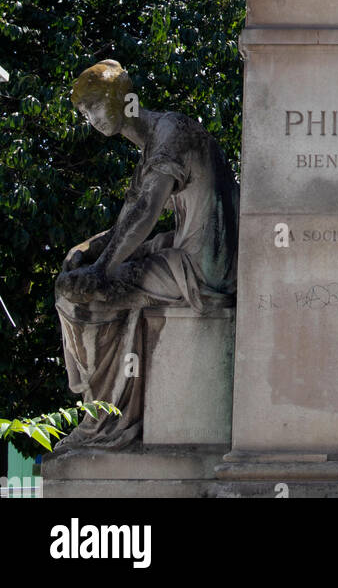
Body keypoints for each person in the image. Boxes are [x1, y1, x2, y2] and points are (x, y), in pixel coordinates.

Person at [53, 60, 238, 450]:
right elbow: (130, 219)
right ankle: (110, 412)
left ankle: (103, 421)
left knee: (76, 295)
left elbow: (145, 212)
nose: (91, 118)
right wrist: (88, 249)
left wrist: (101, 270)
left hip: (202, 267)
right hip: (194, 251)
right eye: (85, 112)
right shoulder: (156, 141)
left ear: (125, 100)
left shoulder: (170, 133)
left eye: (96, 106)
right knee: (84, 278)